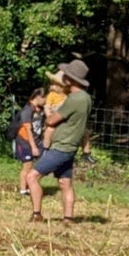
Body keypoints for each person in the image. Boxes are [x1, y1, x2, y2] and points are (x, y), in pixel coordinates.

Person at [24, 58, 90, 223]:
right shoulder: (86, 98)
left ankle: (37, 214)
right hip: (71, 146)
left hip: (61, 147)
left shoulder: (74, 99)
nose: (63, 79)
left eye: (66, 75)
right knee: (64, 183)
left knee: (32, 177)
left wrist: (51, 114)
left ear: (71, 79)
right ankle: (68, 218)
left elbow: (51, 121)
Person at [10, 87, 44, 193]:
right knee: (27, 166)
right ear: (38, 97)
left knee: (36, 166)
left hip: (36, 141)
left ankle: (30, 186)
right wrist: (33, 147)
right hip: (24, 142)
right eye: (44, 98)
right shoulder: (27, 110)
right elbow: (28, 130)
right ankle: (23, 189)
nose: (46, 101)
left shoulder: (40, 110)